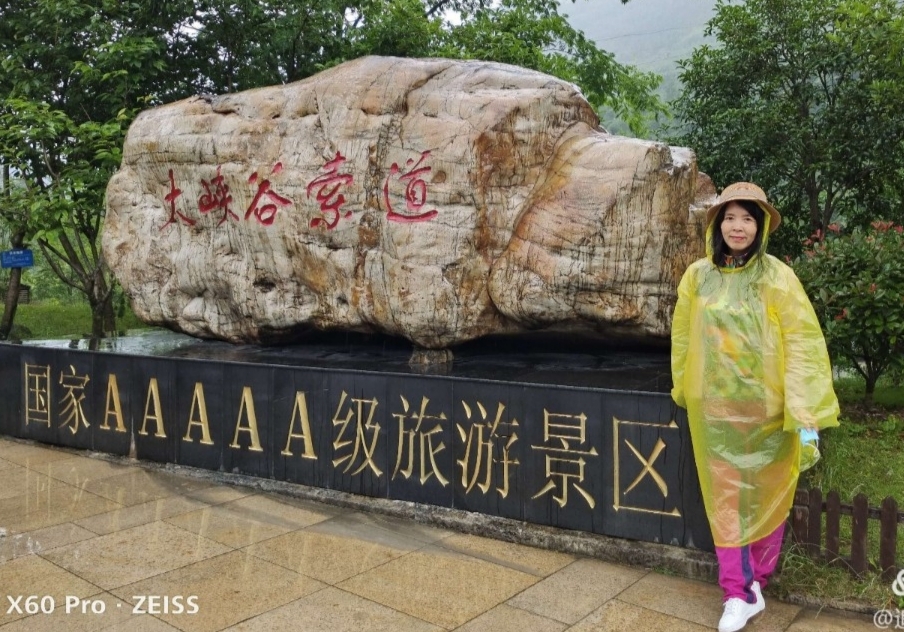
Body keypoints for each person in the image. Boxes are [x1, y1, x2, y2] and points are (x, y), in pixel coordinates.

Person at [670, 182, 839, 632]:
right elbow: (683, 337)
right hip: (714, 411)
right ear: (717, 225)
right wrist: (685, 388)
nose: (738, 226)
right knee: (725, 499)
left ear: (760, 226)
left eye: (747, 218)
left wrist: (803, 408)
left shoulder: (777, 278)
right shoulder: (697, 277)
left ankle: (756, 580)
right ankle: (737, 592)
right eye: (730, 217)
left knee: (768, 493)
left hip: (766, 408)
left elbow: (801, 342)